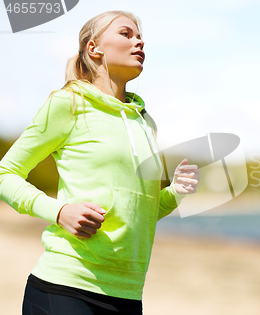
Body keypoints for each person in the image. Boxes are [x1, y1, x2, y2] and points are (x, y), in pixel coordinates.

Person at [0, 10, 199, 315]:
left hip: (128, 295)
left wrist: (175, 193)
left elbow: (139, 212)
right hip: (66, 287)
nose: (139, 41)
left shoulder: (145, 122)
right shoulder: (69, 103)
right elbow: (5, 173)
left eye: (140, 36)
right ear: (94, 48)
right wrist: (60, 211)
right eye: (126, 34)